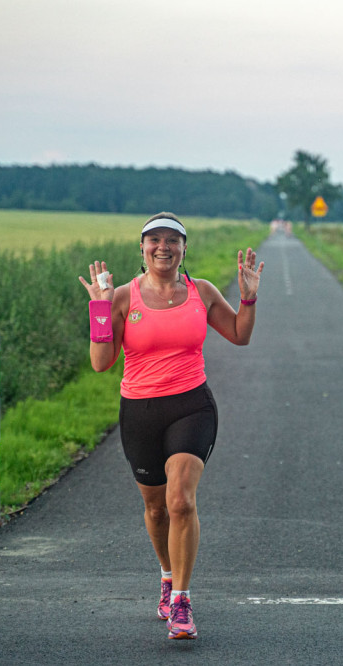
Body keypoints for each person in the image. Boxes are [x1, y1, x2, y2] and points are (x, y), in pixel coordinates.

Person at [78, 212, 263, 640]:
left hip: (191, 406)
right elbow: (101, 363)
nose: (163, 247)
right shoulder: (121, 297)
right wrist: (100, 309)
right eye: (155, 240)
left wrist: (249, 299)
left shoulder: (202, 292)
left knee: (180, 501)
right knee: (156, 509)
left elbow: (240, 334)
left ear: (184, 248)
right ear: (142, 248)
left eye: (172, 240)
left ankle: (181, 600)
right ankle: (167, 574)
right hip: (139, 412)